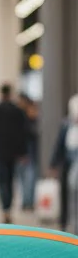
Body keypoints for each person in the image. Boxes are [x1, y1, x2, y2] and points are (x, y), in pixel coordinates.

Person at [0, 83, 30, 223]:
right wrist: (23, 153)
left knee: (1, 180)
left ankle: (5, 209)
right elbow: (23, 133)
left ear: (1, 94)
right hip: (13, 153)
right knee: (10, 180)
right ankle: (8, 208)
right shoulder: (18, 111)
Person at [49, 94, 78, 234]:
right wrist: (53, 164)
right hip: (68, 163)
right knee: (66, 194)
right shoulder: (66, 125)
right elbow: (59, 145)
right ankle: (65, 222)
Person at [17, 93, 40, 212]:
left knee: (29, 177)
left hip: (29, 151)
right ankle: (26, 201)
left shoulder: (31, 118)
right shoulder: (19, 116)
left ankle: (29, 201)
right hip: (23, 151)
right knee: (23, 178)